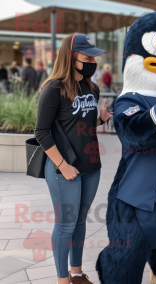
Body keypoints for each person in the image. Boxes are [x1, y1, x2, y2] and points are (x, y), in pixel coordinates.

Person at [34, 33, 113, 284]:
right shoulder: (54, 88)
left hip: (91, 166)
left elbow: (83, 125)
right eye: (87, 56)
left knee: (79, 221)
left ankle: (77, 274)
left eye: (94, 56)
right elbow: (41, 132)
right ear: (71, 56)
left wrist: (101, 119)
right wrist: (62, 165)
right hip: (63, 169)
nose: (93, 61)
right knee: (65, 225)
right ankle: (62, 280)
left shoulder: (92, 87)